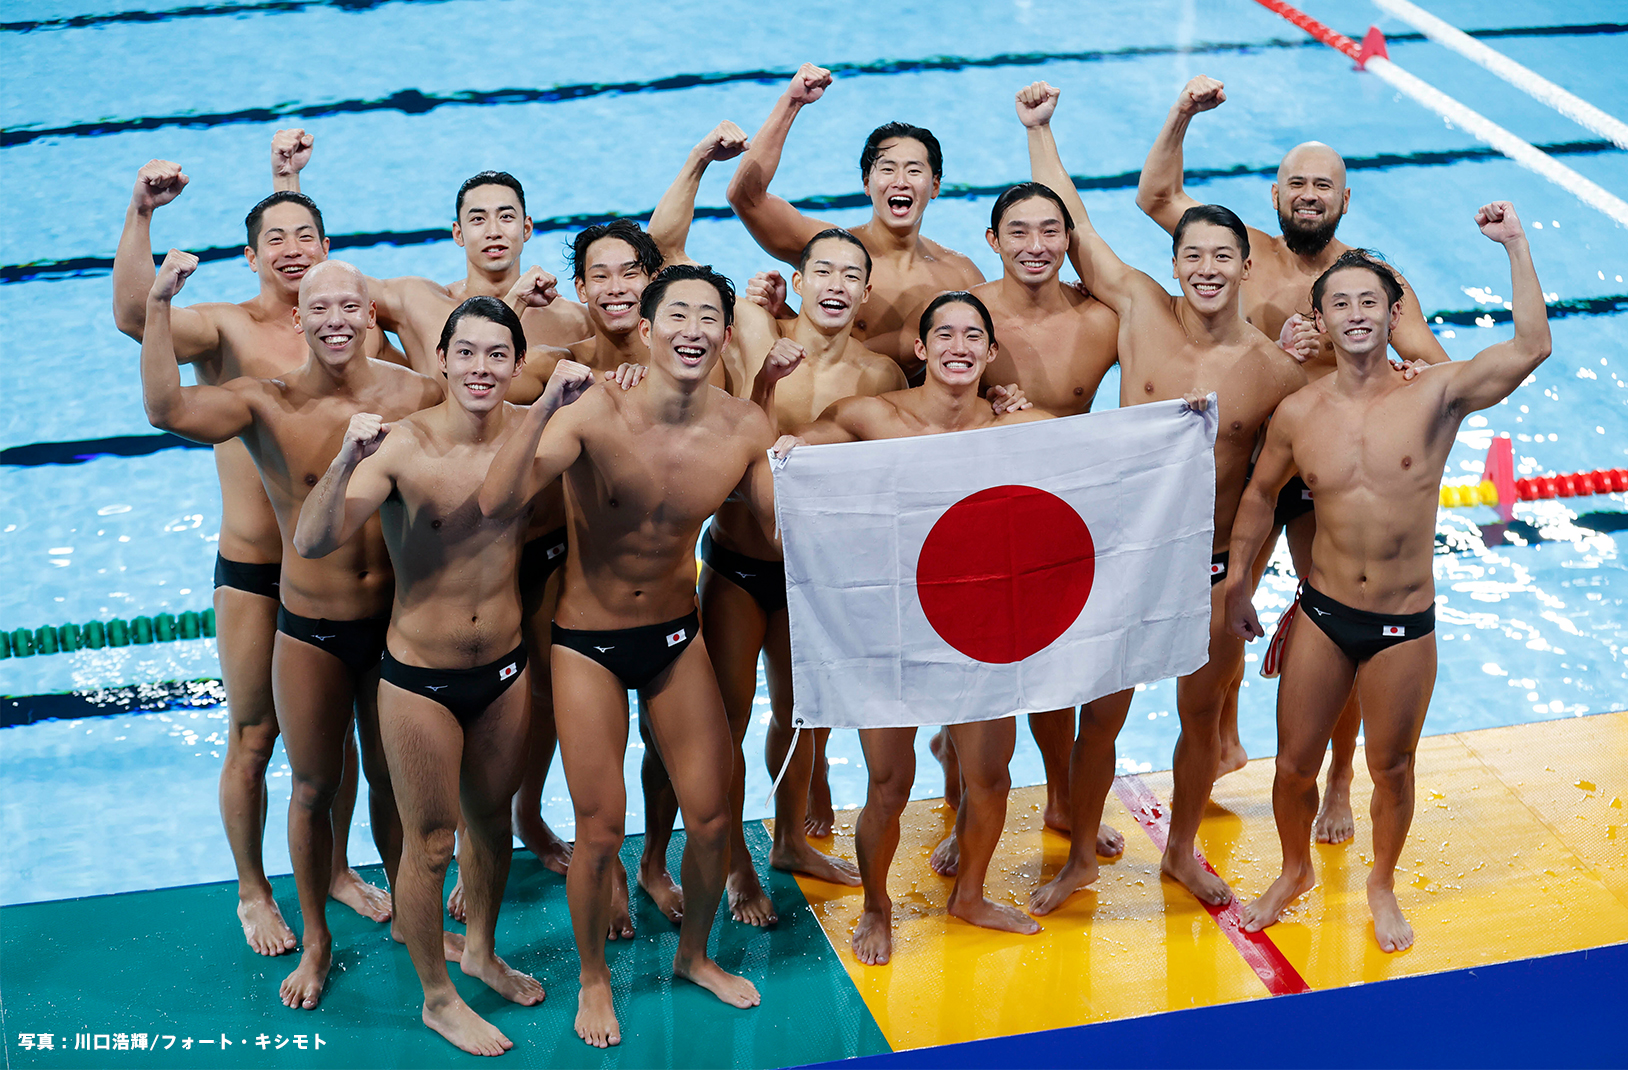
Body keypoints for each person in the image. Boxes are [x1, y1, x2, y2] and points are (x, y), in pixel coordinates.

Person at [1018, 81, 1307, 913]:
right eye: (1193, 256)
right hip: (1122, 556)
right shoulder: (1140, 306)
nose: (1206, 269)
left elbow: (1288, 478)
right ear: (1175, 264)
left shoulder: (1274, 365)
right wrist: (1040, 131)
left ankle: (1180, 850)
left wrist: (1255, 583)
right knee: (1099, 716)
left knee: (1199, 718)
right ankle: (1079, 854)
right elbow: (1073, 227)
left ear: (1245, 267)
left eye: (1222, 257)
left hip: (1209, 569)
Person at [1227, 207, 1549, 951]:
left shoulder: (1436, 393)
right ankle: (1294, 870)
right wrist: (1239, 581)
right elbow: (1259, 495)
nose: (1355, 314)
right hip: (1322, 613)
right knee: (1293, 768)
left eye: (1369, 301)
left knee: (1392, 768)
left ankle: (1381, 883)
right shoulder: (1298, 412)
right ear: (1320, 318)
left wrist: (1515, 245)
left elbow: (1532, 345)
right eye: (1340, 303)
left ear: (1393, 312)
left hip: (1402, 623)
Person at [1135, 77, 1451, 830]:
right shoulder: (1246, 255)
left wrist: (1389, 366)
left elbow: (1439, 371)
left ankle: (1339, 778)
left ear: (1345, 200)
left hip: (1327, 473)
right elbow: (1156, 196)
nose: (1310, 196)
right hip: (1257, 461)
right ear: (1275, 194)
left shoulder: (1373, 282)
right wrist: (1181, 113)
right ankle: (1224, 736)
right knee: (1229, 603)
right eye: (1298, 184)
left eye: (1324, 187)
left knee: (1336, 619)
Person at [479, 264, 778, 1048]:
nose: (692, 329)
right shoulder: (595, 411)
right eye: (676, 314)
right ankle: (593, 979)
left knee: (711, 819)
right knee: (601, 828)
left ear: (725, 334)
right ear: (645, 330)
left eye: (708, 316)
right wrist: (544, 407)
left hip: (677, 637)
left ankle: (694, 957)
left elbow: (781, 534)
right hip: (588, 644)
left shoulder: (745, 427)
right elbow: (497, 501)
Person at [140, 251, 444, 1009]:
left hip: (395, 626)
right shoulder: (264, 402)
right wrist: (158, 304)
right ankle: (315, 942)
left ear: (370, 316)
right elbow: (166, 410)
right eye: (319, 309)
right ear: (298, 320)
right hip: (309, 628)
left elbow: (498, 399)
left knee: (394, 783)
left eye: (349, 307)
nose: (335, 320)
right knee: (312, 786)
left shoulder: (418, 393)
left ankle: (414, 921)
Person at [111, 157, 393, 955]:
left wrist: (286, 182)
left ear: (326, 247)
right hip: (255, 570)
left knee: (336, 740)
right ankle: (251, 888)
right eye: (275, 239)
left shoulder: (343, 322)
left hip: (335, 575)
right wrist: (141, 213)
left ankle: (334, 869)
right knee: (254, 734)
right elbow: (134, 316)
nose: (292, 249)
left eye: (306, 236)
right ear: (250, 256)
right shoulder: (225, 328)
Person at [294, 298, 579, 1054]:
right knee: (429, 845)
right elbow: (313, 540)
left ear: (517, 365)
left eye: (497, 354)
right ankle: (437, 998)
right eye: (467, 353)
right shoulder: (402, 447)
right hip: (420, 679)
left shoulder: (536, 432)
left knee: (491, 828)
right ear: (443, 361)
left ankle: (480, 951)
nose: (481, 368)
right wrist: (345, 460)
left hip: (505, 671)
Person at [776, 291, 1050, 966]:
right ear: (922, 348)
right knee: (889, 786)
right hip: (890, 625)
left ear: (990, 352)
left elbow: (1111, 455)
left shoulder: (1017, 426)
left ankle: (971, 896)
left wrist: (1184, 420)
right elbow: (799, 447)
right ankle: (877, 906)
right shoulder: (875, 417)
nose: (959, 347)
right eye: (944, 334)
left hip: (977, 627)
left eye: (973, 336)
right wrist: (790, 446)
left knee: (991, 778)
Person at [942, 180, 1124, 865]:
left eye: (1051, 231)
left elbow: (1161, 380)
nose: (1036, 245)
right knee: (973, 677)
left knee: (1060, 672)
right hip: (978, 518)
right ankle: (960, 805)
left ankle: (1062, 800)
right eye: (1019, 231)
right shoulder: (967, 318)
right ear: (993, 241)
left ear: (1069, 239)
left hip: (1061, 519)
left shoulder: (1101, 320)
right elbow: (908, 386)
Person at [726, 63, 984, 375]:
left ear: (936, 186)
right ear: (866, 183)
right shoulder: (830, 251)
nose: (900, 181)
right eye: (887, 169)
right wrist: (792, 102)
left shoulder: (960, 276)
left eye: (914, 170)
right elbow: (746, 198)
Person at [274, 129, 591, 368]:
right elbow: (316, 280)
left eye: (506, 217)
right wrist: (286, 179)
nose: (493, 231)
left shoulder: (573, 320)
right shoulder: (418, 303)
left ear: (527, 229)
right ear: (458, 233)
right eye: (478, 219)